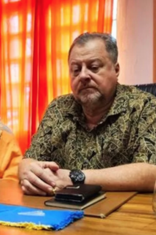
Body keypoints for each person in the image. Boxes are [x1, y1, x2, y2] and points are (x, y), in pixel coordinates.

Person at [19, 32, 156, 196]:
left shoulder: (145, 105)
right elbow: (30, 159)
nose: (83, 76)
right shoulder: (58, 108)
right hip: (61, 210)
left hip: (123, 214)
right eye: (76, 70)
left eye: (94, 67)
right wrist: (27, 171)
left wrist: (75, 178)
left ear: (116, 69)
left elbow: (151, 172)